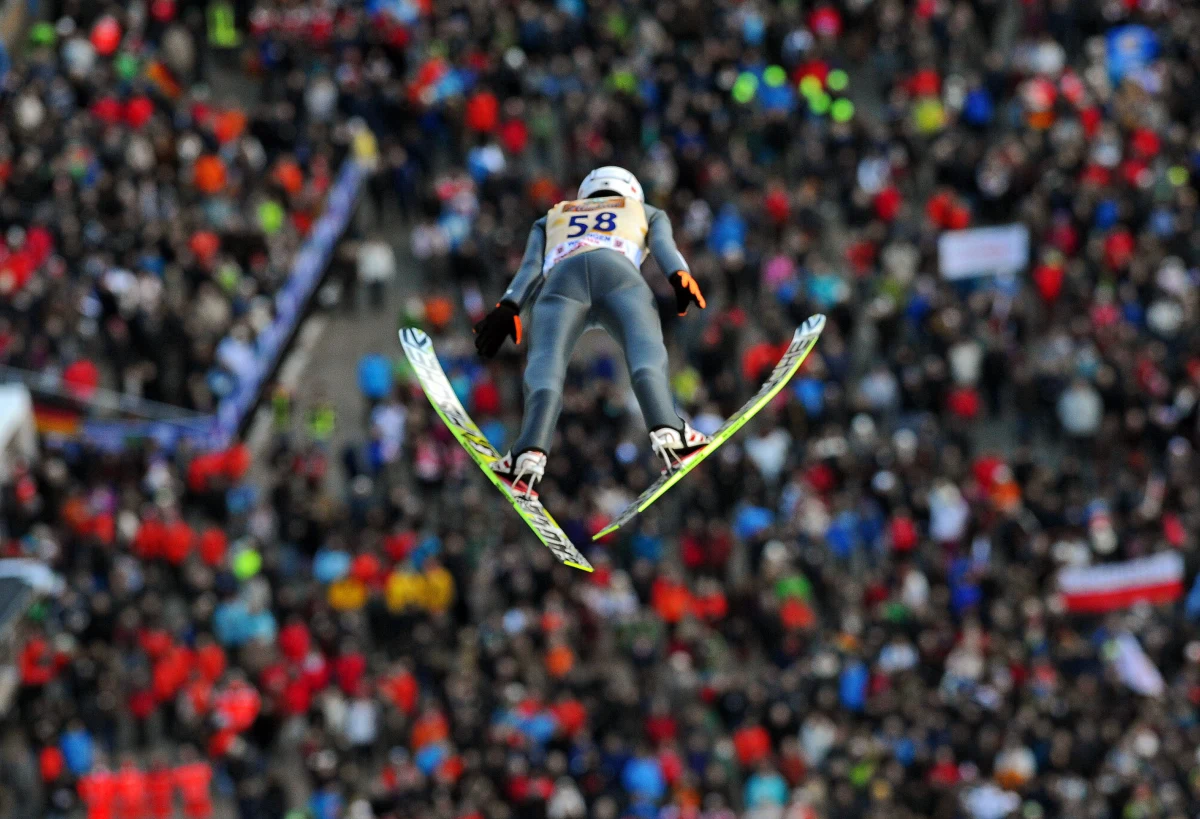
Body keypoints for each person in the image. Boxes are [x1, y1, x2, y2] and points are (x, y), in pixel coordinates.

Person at [473, 166, 710, 495]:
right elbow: (665, 247)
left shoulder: (552, 216)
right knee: (645, 351)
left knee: (547, 362)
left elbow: (529, 268)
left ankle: (528, 453)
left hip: (560, 283)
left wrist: (509, 305)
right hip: (617, 275)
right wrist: (679, 275)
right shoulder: (644, 210)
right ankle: (669, 431)